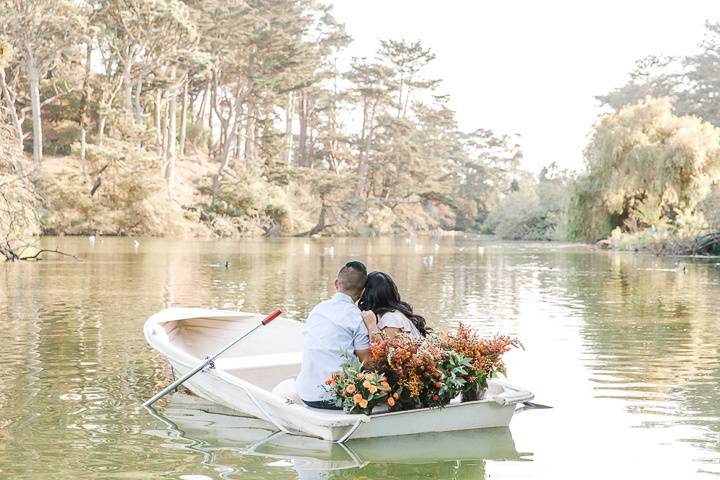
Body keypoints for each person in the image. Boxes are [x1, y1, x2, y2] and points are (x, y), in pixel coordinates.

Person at [296, 261, 371, 410]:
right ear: (363, 292)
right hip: (340, 398)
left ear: (336, 283)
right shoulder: (356, 318)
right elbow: (368, 363)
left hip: (306, 394)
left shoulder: (317, 310)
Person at [358, 271, 429, 340]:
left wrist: (371, 326)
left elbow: (386, 351)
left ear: (368, 294)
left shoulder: (390, 319)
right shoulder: (395, 313)